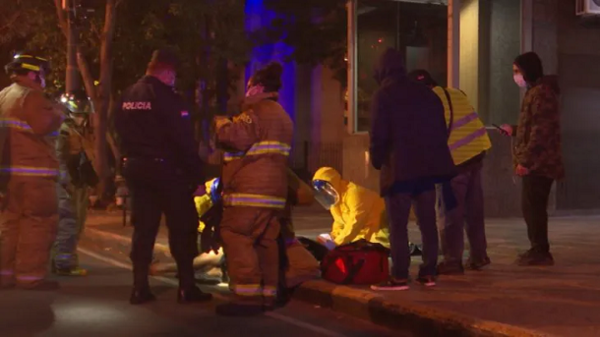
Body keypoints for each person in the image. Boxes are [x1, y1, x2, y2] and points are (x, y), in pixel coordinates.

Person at [114, 49, 212, 304]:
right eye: (173, 75)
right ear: (166, 72)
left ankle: (139, 287)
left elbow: (118, 132)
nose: (174, 79)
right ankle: (187, 287)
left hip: (136, 169)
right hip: (168, 172)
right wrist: (197, 176)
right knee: (182, 228)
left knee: (144, 229)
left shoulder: (127, 95)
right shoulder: (168, 98)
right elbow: (182, 140)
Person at [368, 48, 457, 291]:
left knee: (398, 225)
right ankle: (428, 272)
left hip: (399, 170)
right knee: (427, 222)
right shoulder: (426, 93)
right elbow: (440, 129)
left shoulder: (383, 95)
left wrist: (377, 160)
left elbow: (378, 134)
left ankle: (399, 275)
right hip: (427, 170)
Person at [213, 62, 293, 316]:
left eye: (248, 88)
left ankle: (246, 298)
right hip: (274, 194)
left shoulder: (255, 112)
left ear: (258, 88)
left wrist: (221, 124)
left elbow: (233, 138)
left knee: (236, 235)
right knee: (266, 241)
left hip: (249, 192)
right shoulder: (282, 115)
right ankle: (268, 295)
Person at [408, 69, 492, 275]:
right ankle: (479, 255)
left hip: (454, 161)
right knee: (474, 211)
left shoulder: (428, 101)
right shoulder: (455, 92)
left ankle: (452, 260)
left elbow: (430, 137)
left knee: (450, 212)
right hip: (476, 153)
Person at [0, 53, 65, 290]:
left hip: (9, 177)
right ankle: (30, 277)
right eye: (41, 74)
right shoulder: (32, 97)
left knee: (10, 224)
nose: (44, 79)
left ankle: (5, 274)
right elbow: (44, 125)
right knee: (38, 223)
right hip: (35, 176)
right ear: (32, 74)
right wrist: (58, 112)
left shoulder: (3, 96)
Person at [499, 52, 564, 266]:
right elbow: (532, 126)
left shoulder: (542, 93)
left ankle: (540, 250)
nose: (516, 76)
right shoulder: (535, 92)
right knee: (531, 207)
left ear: (528, 70)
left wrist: (525, 161)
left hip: (540, 163)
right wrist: (515, 130)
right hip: (538, 161)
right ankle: (537, 248)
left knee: (533, 207)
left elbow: (540, 131)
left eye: (517, 71)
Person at [52, 90, 98, 276]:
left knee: (77, 223)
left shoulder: (79, 130)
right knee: (68, 223)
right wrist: (65, 182)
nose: (82, 117)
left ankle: (63, 260)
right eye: (79, 114)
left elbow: (84, 156)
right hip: (68, 184)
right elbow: (59, 158)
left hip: (78, 183)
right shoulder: (63, 130)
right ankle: (64, 263)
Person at [311, 167, 390, 250]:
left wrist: (336, 243)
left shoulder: (355, 194)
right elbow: (339, 223)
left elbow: (355, 223)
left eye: (325, 188)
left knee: (378, 250)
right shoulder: (336, 199)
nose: (325, 193)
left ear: (333, 184)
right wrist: (333, 236)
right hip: (363, 230)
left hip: (380, 227)